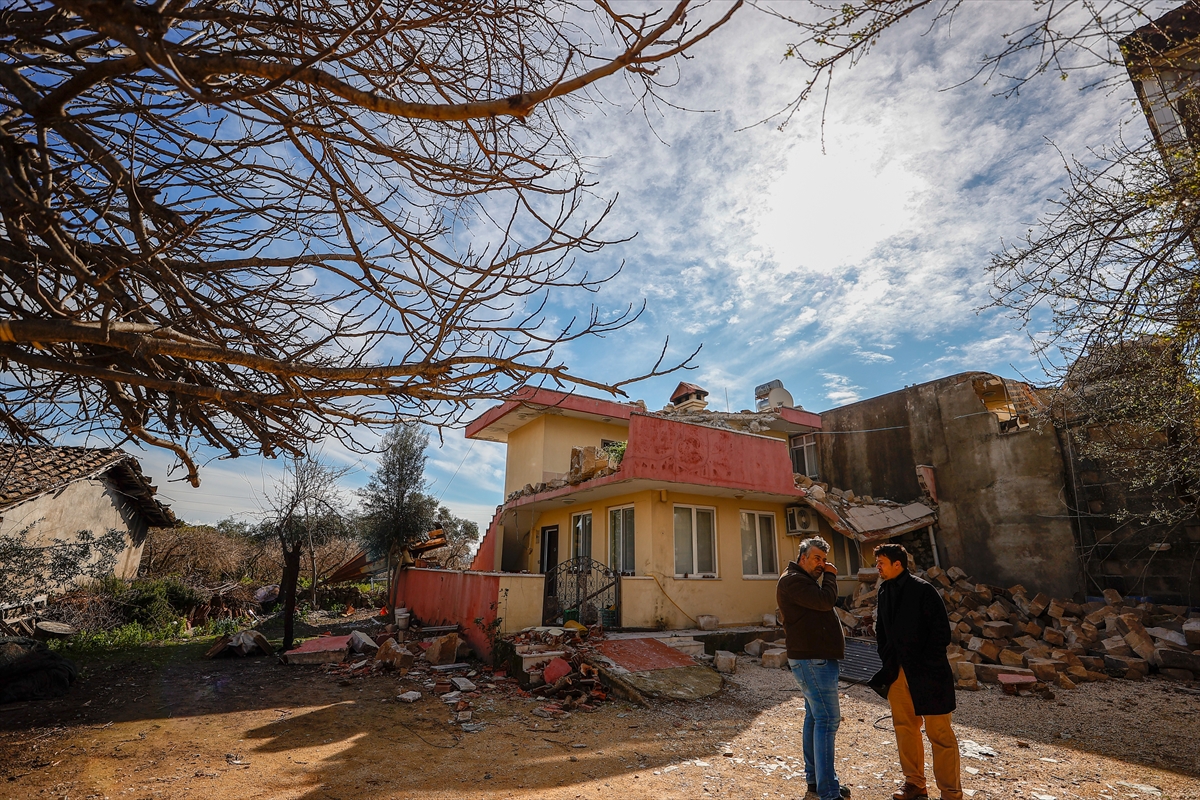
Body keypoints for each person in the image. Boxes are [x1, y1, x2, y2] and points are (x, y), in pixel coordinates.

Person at [869, 543, 962, 800]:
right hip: (898, 673)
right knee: (905, 728)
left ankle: (951, 793)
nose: (877, 567)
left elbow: (941, 633)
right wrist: (889, 660)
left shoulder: (924, 590)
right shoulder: (884, 591)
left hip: (928, 674)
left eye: (881, 562)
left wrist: (922, 660)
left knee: (940, 733)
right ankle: (914, 783)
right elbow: (882, 633)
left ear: (898, 564)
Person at [777, 535, 850, 800]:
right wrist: (831, 577)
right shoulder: (793, 580)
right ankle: (828, 792)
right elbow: (824, 601)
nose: (822, 564)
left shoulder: (802, 580)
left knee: (815, 719)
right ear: (802, 558)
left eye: (825, 560)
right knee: (828, 721)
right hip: (813, 660)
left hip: (815, 659)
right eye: (817, 559)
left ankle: (817, 783)